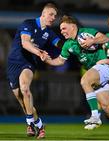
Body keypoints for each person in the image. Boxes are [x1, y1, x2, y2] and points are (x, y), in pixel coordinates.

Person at [45, 15, 109, 140]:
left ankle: (95, 116)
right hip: (96, 74)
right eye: (61, 30)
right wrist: (47, 60)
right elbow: (60, 61)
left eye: (64, 28)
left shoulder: (86, 32)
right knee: (107, 108)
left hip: (104, 66)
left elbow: (104, 38)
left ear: (73, 26)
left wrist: (92, 41)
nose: (62, 31)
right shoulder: (68, 44)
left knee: (84, 81)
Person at [7, 3, 62, 139]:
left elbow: (60, 44)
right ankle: (39, 124)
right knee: (22, 100)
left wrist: (76, 43)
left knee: (25, 89)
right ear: (43, 14)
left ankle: (30, 124)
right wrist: (40, 52)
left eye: (55, 16)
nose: (53, 18)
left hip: (29, 63)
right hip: (14, 62)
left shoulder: (49, 33)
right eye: (51, 14)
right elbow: (25, 43)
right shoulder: (28, 24)